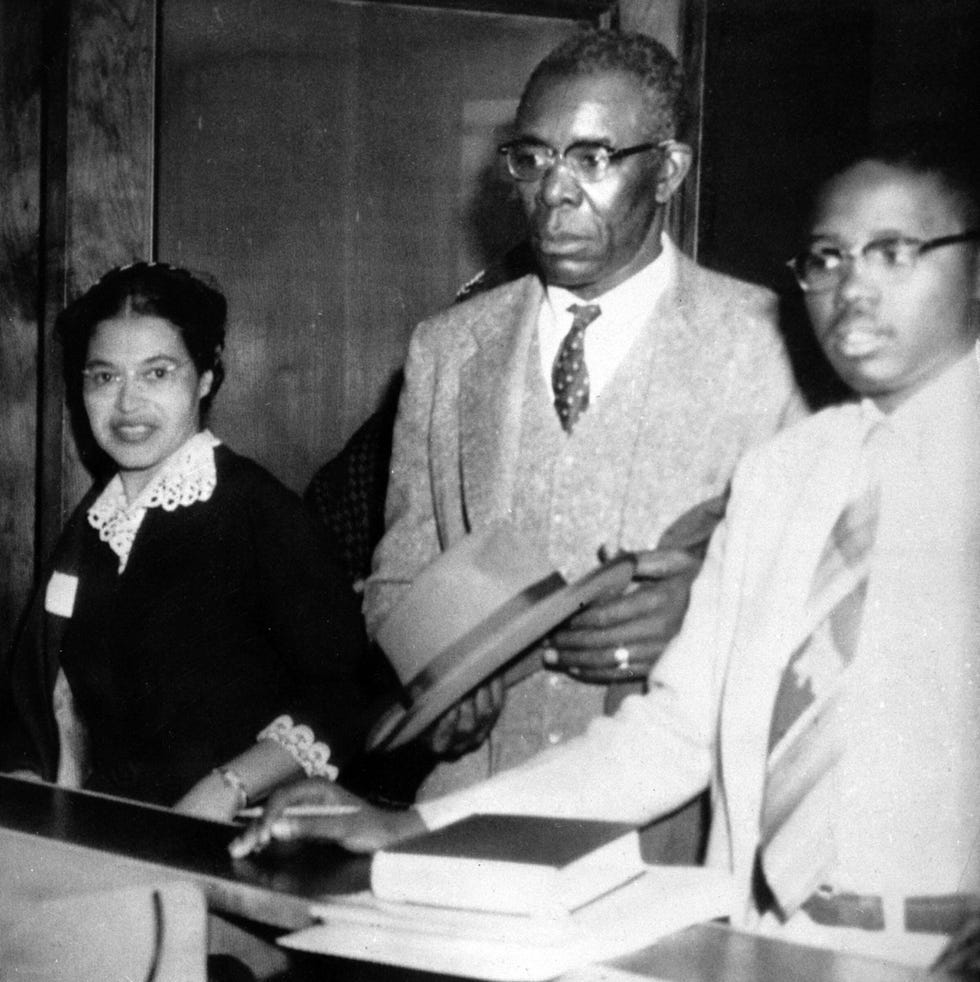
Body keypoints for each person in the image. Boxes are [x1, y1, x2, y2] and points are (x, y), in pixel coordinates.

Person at [234, 128, 980, 969]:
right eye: (828, 258)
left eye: (893, 252)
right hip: (772, 944)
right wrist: (413, 825)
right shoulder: (787, 477)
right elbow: (671, 735)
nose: (853, 290)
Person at [363, 28, 803, 848]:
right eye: (531, 160)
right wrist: (440, 683)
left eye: (593, 159)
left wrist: (704, 615)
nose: (553, 193)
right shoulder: (448, 348)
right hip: (471, 812)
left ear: (668, 169)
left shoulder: (775, 347)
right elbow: (398, 579)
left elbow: (823, 602)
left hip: (673, 830)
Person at [0, 262, 371, 821]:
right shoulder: (90, 528)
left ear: (204, 378)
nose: (127, 405)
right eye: (104, 377)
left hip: (238, 839)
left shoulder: (257, 511)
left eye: (157, 374)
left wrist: (226, 788)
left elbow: (347, 694)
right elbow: (40, 702)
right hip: (116, 843)